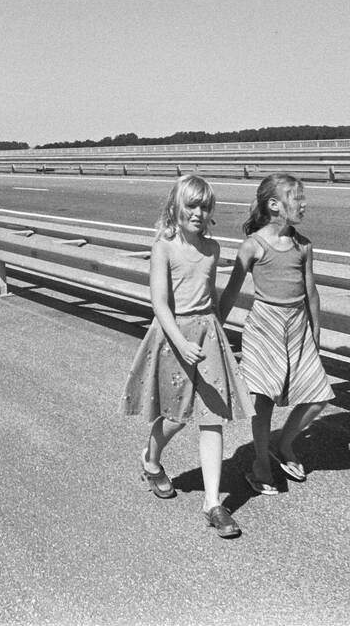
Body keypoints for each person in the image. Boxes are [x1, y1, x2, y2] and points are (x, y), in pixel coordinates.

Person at [122, 175, 253, 538]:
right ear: (175, 207)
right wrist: (180, 341)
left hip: (207, 335)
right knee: (176, 415)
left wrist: (216, 333)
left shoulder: (213, 249)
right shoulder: (164, 246)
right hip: (173, 337)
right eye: (191, 206)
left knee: (213, 418)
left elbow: (211, 295)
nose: (198, 213)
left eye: (204, 207)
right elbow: (159, 303)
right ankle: (150, 461)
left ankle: (213, 503)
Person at [218, 173, 334, 495]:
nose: (304, 204)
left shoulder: (303, 245)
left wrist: (316, 335)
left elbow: (311, 293)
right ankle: (260, 464)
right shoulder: (253, 246)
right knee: (264, 400)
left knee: (318, 395)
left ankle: (282, 445)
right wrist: (215, 329)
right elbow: (230, 292)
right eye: (297, 198)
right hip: (265, 326)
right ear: (274, 205)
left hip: (297, 326)